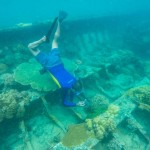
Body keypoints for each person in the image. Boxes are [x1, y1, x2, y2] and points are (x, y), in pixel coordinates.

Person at [28, 17, 86, 107]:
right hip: (49, 64)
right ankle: (42, 40)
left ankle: (59, 23)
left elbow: (74, 90)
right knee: (30, 47)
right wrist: (76, 104)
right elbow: (64, 103)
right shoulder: (65, 87)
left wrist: (73, 96)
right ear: (73, 89)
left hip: (57, 61)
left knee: (55, 41)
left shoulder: (75, 79)